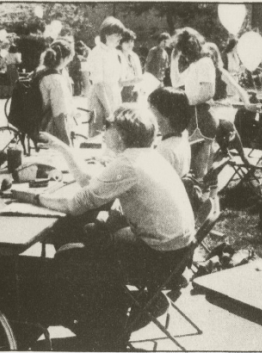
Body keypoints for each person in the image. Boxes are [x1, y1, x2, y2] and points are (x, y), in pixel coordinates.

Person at [14, 105, 195, 350]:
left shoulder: (128, 164)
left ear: (120, 135)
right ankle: (105, 318)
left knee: (72, 254)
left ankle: (102, 329)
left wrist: (31, 198)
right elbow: (95, 186)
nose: (103, 129)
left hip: (159, 261)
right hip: (176, 254)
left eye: (108, 126)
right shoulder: (144, 155)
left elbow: (75, 205)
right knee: (86, 235)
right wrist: (65, 151)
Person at [171, 27, 217, 180]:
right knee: (197, 165)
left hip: (202, 116)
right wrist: (174, 60)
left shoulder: (204, 62)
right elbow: (176, 82)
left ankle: (204, 197)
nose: (183, 54)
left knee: (201, 166)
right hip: (194, 116)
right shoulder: (194, 65)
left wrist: (185, 102)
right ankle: (203, 195)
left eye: (183, 51)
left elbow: (208, 92)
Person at [86, 17, 125, 137]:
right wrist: (109, 111)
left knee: (114, 137)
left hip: (113, 98)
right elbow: (99, 84)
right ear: (107, 34)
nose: (120, 38)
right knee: (97, 137)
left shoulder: (113, 52)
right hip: (100, 100)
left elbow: (117, 81)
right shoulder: (97, 52)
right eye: (117, 34)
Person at [38, 39, 77, 146]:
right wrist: (67, 143)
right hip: (51, 131)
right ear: (64, 59)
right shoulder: (56, 80)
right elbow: (59, 115)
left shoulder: (41, 72)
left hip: (39, 125)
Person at [148, 87, 192, 177]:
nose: (147, 110)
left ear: (166, 114)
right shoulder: (180, 139)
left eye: (151, 107)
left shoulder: (165, 150)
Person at [119, 29, 143, 103]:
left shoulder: (134, 56)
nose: (130, 45)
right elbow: (118, 81)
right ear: (120, 43)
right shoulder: (117, 56)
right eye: (127, 42)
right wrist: (131, 81)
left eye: (132, 41)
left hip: (135, 91)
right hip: (121, 91)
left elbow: (139, 74)